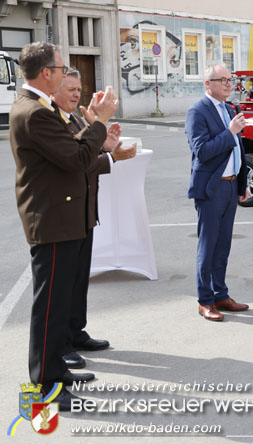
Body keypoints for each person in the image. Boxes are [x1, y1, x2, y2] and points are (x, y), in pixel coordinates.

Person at [10, 42, 118, 410]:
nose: (63, 73)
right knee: (50, 307)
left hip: (62, 216)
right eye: (60, 68)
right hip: (52, 219)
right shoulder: (35, 112)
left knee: (57, 305)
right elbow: (75, 159)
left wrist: (96, 132)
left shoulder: (44, 107)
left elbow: (72, 153)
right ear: (46, 74)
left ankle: (56, 369)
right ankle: (44, 385)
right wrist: (99, 121)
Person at [51, 68, 137, 370]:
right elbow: (76, 164)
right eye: (70, 89)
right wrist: (112, 156)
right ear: (53, 89)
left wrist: (105, 144)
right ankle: (60, 345)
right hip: (65, 215)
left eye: (79, 88)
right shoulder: (53, 121)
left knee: (78, 281)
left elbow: (87, 154)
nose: (76, 94)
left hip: (84, 212)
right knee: (61, 287)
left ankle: (76, 332)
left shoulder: (74, 119)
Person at [185, 64, 250, 321]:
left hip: (230, 185)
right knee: (208, 246)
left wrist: (242, 183)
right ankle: (205, 300)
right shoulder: (196, 111)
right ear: (207, 84)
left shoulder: (230, 108)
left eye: (230, 79)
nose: (228, 83)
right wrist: (230, 131)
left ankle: (220, 294)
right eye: (221, 80)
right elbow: (201, 150)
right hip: (211, 188)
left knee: (223, 245)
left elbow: (238, 150)